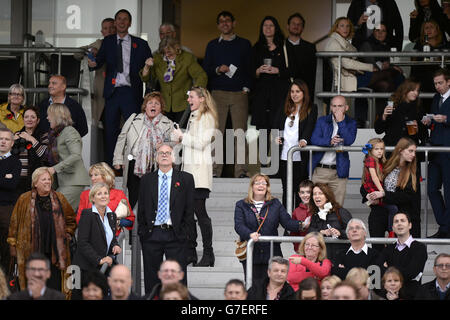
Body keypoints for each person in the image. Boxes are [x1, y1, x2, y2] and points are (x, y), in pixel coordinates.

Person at [87, 9, 152, 165]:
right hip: (112, 92)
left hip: (131, 92)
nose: (122, 22)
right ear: (115, 23)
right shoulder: (108, 42)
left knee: (134, 130)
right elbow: (99, 62)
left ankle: (133, 164)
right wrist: (92, 64)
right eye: (119, 19)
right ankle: (112, 165)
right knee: (111, 131)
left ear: (130, 23)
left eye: (125, 19)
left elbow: (149, 67)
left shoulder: (141, 44)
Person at [7, 167, 76, 298]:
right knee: (32, 287)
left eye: (49, 179)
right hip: (30, 252)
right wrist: (12, 245)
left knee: (55, 287)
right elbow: (14, 224)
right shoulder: (24, 199)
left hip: (55, 254)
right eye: (43, 179)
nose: (47, 182)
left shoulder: (59, 197)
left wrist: (66, 234)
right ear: (35, 183)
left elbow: (71, 219)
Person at [138, 143, 195, 295]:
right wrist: (143, 232)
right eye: (161, 153)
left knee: (177, 279)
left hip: (176, 234)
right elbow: (142, 209)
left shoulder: (186, 179)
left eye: (168, 152)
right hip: (152, 234)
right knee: (152, 280)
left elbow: (189, 210)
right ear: (156, 158)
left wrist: (186, 234)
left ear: (174, 157)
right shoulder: (146, 180)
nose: (164, 155)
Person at [203, 10, 252, 178]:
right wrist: (217, 69)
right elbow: (206, 70)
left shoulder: (244, 44)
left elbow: (250, 68)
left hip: (239, 93)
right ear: (218, 25)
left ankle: (241, 171)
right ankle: (215, 171)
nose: (225, 23)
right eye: (221, 21)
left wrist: (246, 88)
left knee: (240, 133)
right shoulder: (212, 45)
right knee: (217, 133)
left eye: (228, 21)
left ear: (234, 23)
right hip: (218, 94)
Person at [172, 87, 218, 267]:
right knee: (188, 215)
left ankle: (208, 253)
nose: (188, 99)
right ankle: (191, 252)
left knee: (200, 213)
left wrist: (182, 137)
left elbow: (201, 143)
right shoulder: (194, 116)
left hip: (198, 174)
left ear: (201, 99)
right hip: (189, 173)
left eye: (191, 97)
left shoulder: (207, 117)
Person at [325, 17, 397, 128]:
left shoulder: (343, 42)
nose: (346, 28)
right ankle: (394, 110)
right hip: (346, 80)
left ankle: (379, 118)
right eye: (342, 26)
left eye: (348, 26)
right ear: (336, 28)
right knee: (389, 73)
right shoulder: (333, 42)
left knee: (384, 85)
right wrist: (369, 67)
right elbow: (346, 63)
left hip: (354, 75)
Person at [234, 174, 304, 282]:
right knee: (254, 288)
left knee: (274, 287)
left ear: (267, 187)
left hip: (272, 254)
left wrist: (302, 225)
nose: (261, 185)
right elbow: (239, 225)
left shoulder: (275, 203)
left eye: (264, 183)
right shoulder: (241, 205)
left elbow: (287, 222)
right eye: (257, 183)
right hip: (252, 253)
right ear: (252, 186)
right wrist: (250, 234)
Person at [113, 92, 174, 209]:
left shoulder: (168, 124)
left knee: (151, 199)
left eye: (157, 103)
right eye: (150, 103)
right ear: (145, 107)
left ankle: (147, 225)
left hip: (155, 166)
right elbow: (122, 138)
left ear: (161, 108)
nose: (153, 106)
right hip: (133, 164)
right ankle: (134, 225)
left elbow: (174, 144)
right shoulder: (133, 119)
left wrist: (164, 145)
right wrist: (117, 159)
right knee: (133, 197)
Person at [140, 38, 207, 123]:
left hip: (183, 103)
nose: (167, 56)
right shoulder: (157, 59)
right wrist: (147, 67)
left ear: (177, 49)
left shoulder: (187, 58)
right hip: (164, 104)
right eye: (164, 53)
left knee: (181, 131)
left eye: (171, 54)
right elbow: (146, 79)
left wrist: (195, 92)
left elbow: (201, 75)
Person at [366, 137, 422, 237]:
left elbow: (407, 196)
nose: (413, 154)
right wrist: (368, 195)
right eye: (410, 151)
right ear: (400, 150)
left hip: (401, 212)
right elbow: (367, 182)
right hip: (380, 210)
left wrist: (383, 194)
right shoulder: (386, 164)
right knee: (376, 221)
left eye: (414, 152)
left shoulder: (413, 171)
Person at [275, 80, 317, 208]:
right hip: (284, 156)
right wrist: (277, 137)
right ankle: (287, 222)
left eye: (298, 91)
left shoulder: (311, 108)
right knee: (286, 189)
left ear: (304, 93)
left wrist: (304, 140)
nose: (294, 94)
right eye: (292, 91)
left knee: (300, 191)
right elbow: (276, 126)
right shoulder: (285, 107)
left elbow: (310, 126)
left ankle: (299, 222)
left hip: (300, 156)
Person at [310, 95, 357, 206]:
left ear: (346, 108)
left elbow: (349, 140)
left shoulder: (351, 123)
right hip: (320, 170)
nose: (337, 109)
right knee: (316, 207)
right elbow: (314, 139)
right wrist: (329, 141)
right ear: (330, 107)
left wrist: (341, 122)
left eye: (340, 106)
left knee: (337, 207)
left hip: (339, 172)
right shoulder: (322, 121)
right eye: (334, 106)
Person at [46, 103, 90, 211]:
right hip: (64, 181)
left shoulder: (69, 131)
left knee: (57, 212)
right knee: (65, 216)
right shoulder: (57, 134)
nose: (47, 118)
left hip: (73, 181)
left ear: (57, 116)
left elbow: (76, 155)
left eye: (49, 115)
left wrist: (54, 169)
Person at [422, 68, 450, 238]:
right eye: (435, 83)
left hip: (448, 149)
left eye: (440, 83)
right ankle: (445, 225)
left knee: (449, 192)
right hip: (435, 149)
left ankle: (445, 229)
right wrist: (428, 121)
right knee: (432, 189)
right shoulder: (435, 98)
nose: (437, 86)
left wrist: (446, 119)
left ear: (449, 82)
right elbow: (434, 122)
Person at [250, 16, 290, 133]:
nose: (268, 28)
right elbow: (250, 71)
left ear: (276, 28)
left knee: (277, 132)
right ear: (261, 28)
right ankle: (263, 152)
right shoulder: (256, 48)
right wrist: (258, 71)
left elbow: (292, 70)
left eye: (271, 25)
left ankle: (277, 152)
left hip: (279, 95)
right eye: (265, 25)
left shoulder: (284, 47)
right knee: (263, 132)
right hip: (262, 96)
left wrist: (278, 71)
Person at [376, 212, 428, 299]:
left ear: (410, 225)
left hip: (411, 296)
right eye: (396, 221)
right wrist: (402, 270)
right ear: (393, 228)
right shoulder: (388, 249)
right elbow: (377, 268)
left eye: (402, 221)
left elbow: (412, 273)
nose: (399, 223)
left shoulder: (419, 248)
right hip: (389, 295)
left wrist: (389, 268)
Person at [74, 17, 116, 125]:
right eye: (106, 28)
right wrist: (91, 51)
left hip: (118, 89)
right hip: (102, 88)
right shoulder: (99, 43)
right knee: (103, 122)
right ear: (102, 32)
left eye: (112, 27)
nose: (110, 30)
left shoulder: (123, 43)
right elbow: (76, 53)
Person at [77, 162, 135, 236]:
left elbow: (130, 220)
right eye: (91, 175)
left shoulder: (119, 194)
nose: (92, 178)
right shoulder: (85, 194)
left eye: (96, 175)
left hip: (113, 238)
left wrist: (115, 221)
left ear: (105, 176)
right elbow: (79, 219)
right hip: (90, 237)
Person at [375, 79, 428, 150]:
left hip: (409, 150)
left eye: (418, 91)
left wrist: (418, 129)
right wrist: (384, 116)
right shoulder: (391, 106)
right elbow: (378, 130)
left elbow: (424, 136)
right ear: (405, 90)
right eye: (413, 90)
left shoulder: (419, 109)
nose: (416, 93)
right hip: (392, 149)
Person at [361, 138, 398, 237]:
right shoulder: (370, 159)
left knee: (392, 208)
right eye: (377, 149)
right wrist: (382, 191)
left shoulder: (379, 161)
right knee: (393, 208)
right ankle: (391, 232)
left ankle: (391, 231)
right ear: (371, 150)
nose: (380, 151)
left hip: (376, 192)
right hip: (373, 190)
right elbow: (374, 177)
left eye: (382, 149)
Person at [411, 20, 449, 114]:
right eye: (426, 28)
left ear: (437, 30)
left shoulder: (445, 45)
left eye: (431, 27)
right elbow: (414, 63)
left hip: (439, 76)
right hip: (422, 76)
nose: (429, 30)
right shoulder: (419, 45)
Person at [308, 183, 353, 264]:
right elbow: (310, 231)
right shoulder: (315, 214)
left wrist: (339, 233)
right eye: (314, 194)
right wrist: (322, 232)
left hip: (341, 260)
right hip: (322, 259)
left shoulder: (341, 212)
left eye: (320, 193)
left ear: (327, 196)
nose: (317, 196)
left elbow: (354, 231)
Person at [12, 106, 49, 196]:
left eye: (33, 117)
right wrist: (12, 143)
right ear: (23, 119)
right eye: (26, 117)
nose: (29, 119)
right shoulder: (16, 135)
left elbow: (45, 155)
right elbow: (8, 156)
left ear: (38, 120)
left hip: (36, 180)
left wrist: (31, 139)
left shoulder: (44, 135)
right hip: (17, 179)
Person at [0, 128, 21, 274]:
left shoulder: (16, 162)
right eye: (0, 138)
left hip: (6, 208)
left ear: (12, 143)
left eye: (7, 139)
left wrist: (7, 180)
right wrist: (4, 178)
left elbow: (12, 184)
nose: (3, 141)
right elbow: (6, 182)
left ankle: (5, 281)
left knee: (7, 245)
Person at [284, 13, 317, 96]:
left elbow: (313, 72)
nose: (296, 26)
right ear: (287, 26)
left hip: (305, 90)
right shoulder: (280, 46)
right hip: (284, 90)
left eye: (299, 24)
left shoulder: (310, 48)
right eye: (293, 24)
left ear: (302, 28)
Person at [290, 179, 314, 252]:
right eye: (302, 192)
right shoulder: (296, 211)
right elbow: (293, 233)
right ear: (299, 194)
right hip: (302, 250)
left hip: (318, 250)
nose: (305, 195)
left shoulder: (318, 209)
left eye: (308, 192)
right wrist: (298, 249)